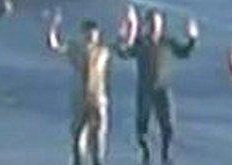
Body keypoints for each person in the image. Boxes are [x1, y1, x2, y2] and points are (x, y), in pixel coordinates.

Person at [48, 8, 136, 165]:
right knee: (78, 134)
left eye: (94, 33)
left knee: (98, 135)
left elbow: (126, 43)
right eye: (88, 33)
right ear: (83, 34)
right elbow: (55, 46)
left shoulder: (104, 49)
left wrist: (131, 23)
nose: (91, 36)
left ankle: (98, 161)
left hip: (98, 96)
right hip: (80, 96)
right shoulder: (75, 48)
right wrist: (53, 27)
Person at [117, 8, 198, 164]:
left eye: (157, 23)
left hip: (163, 88)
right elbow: (124, 53)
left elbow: (184, 53)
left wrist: (192, 38)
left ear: (162, 25)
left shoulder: (167, 42)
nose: (155, 26)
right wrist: (123, 34)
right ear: (146, 25)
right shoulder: (140, 43)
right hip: (145, 88)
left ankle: (165, 157)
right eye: (152, 23)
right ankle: (146, 155)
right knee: (142, 128)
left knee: (168, 126)